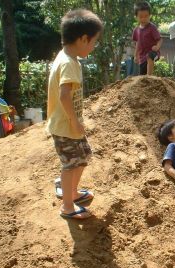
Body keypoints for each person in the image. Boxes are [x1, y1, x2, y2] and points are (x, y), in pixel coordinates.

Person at [46, 9, 103, 219]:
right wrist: (74, 121)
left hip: (70, 124)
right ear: (83, 38)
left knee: (83, 157)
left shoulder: (68, 58)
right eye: (94, 42)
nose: (94, 46)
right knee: (70, 165)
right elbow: (64, 96)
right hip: (65, 126)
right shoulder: (68, 63)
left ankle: (72, 191)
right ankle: (67, 206)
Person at [132, 1, 162, 76]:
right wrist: (135, 55)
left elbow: (160, 39)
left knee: (149, 55)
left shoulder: (152, 28)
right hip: (142, 57)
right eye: (141, 16)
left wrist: (157, 47)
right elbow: (137, 43)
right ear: (136, 17)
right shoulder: (136, 30)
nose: (144, 18)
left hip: (154, 53)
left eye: (146, 16)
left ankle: (149, 77)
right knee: (142, 74)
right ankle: (146, 79)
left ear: (150, 15)